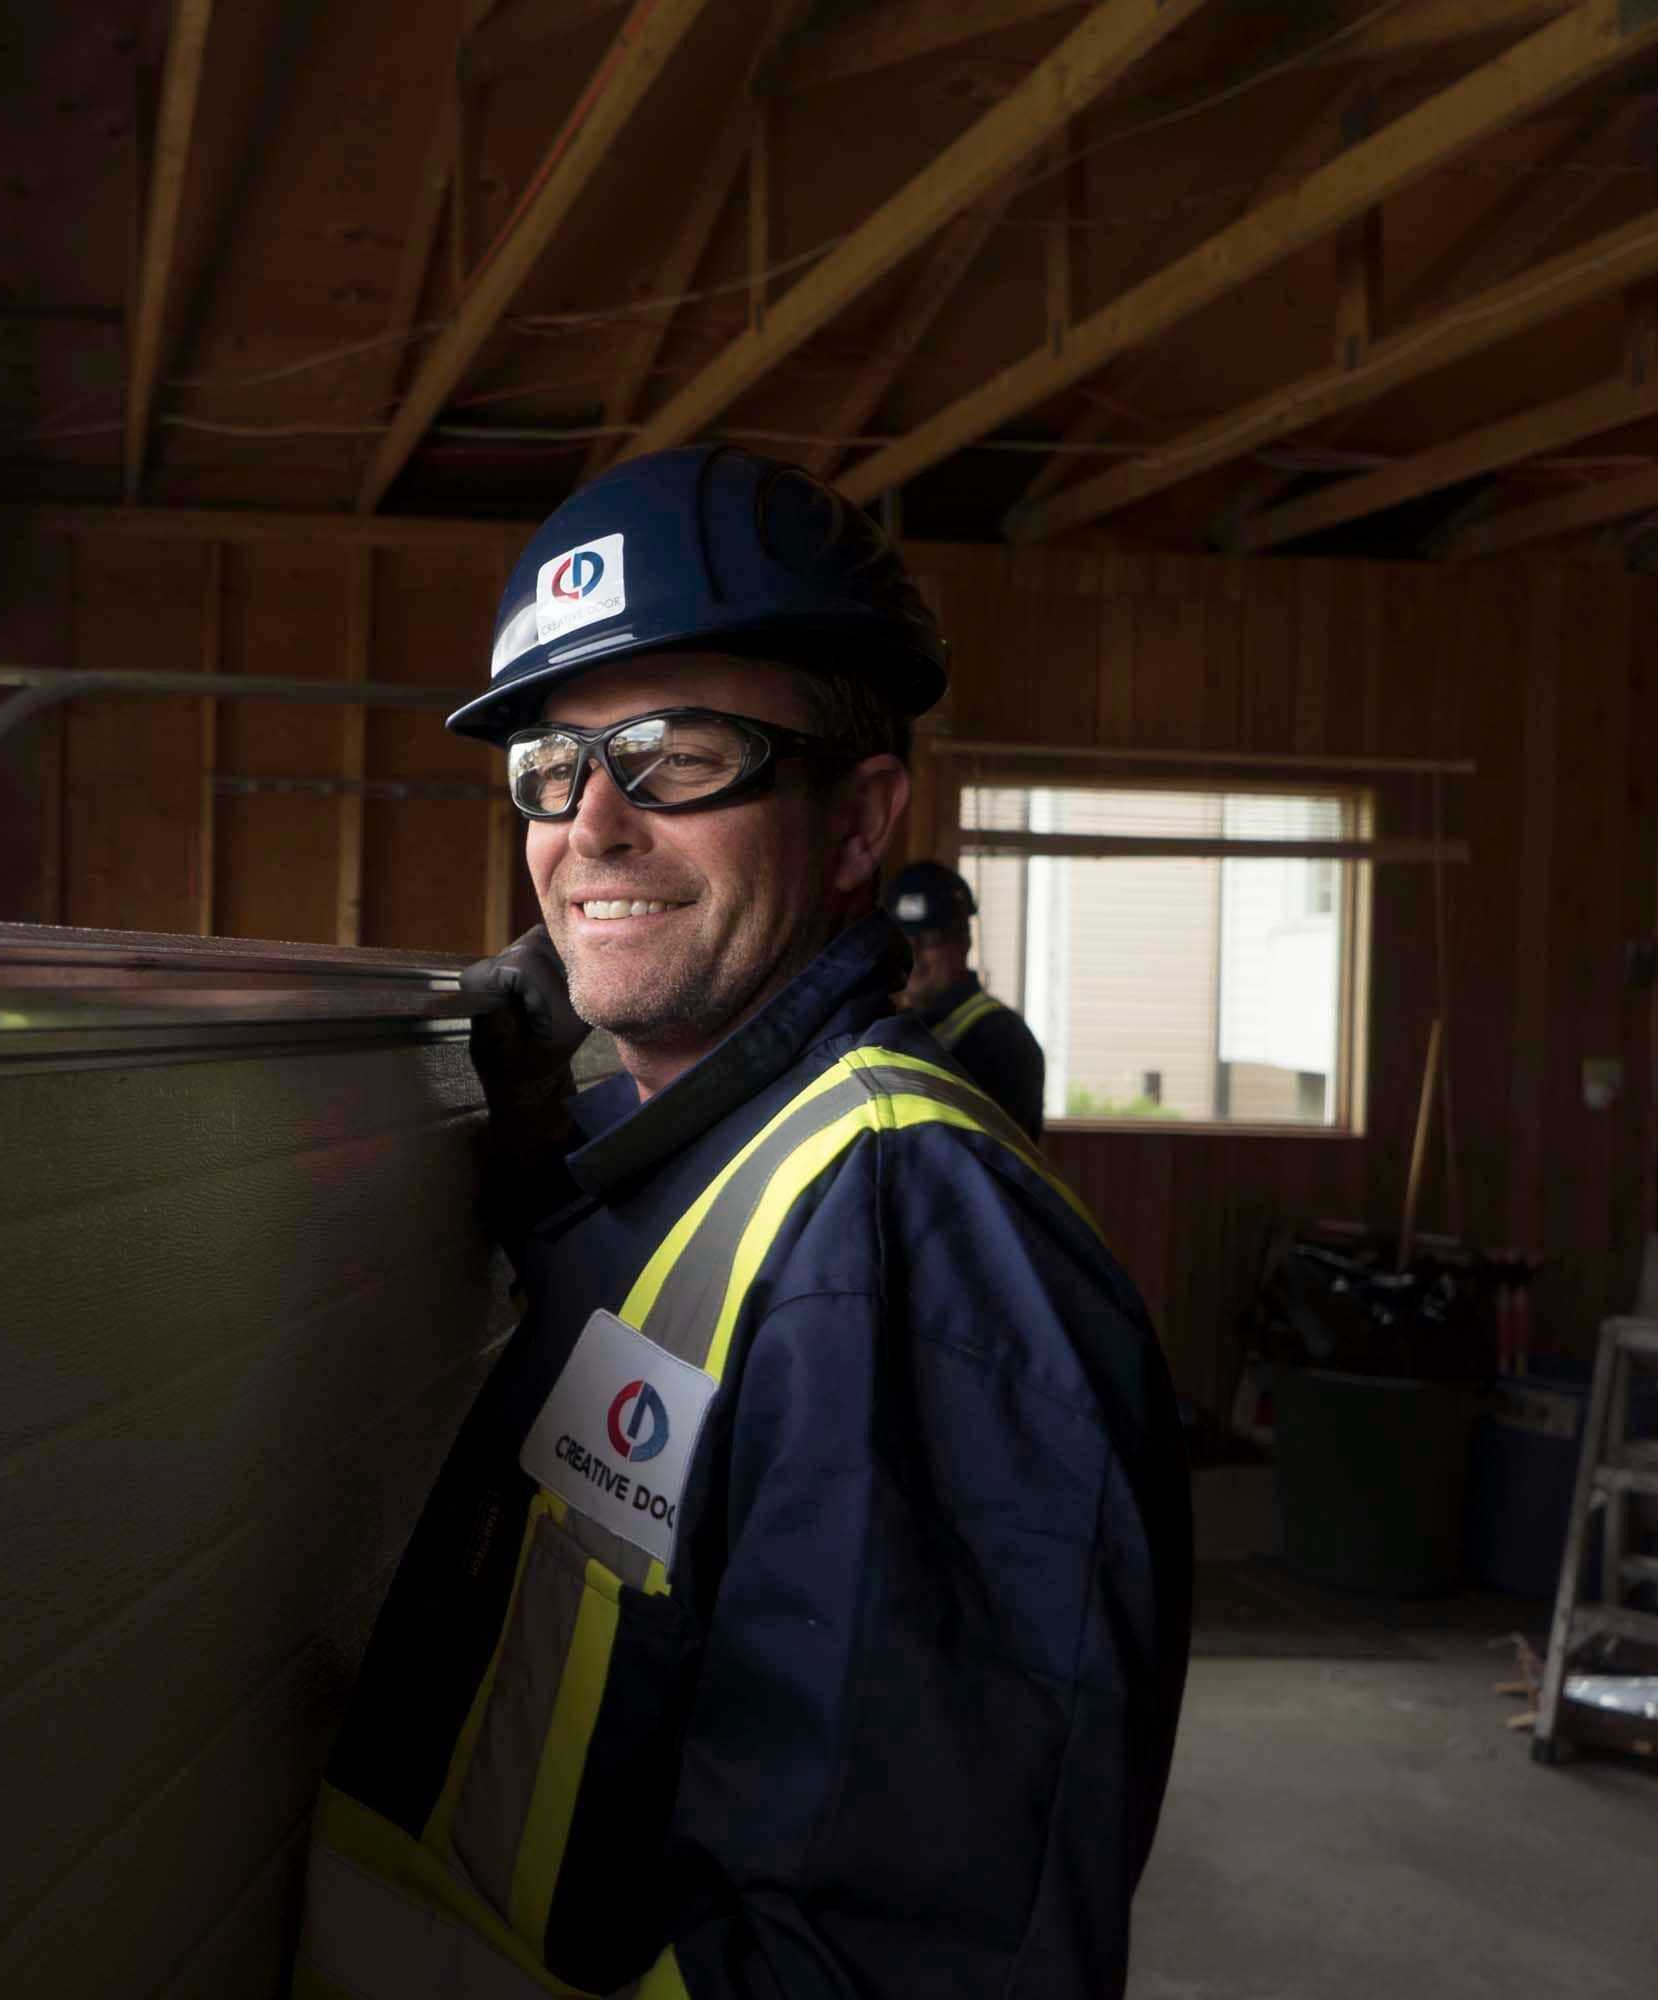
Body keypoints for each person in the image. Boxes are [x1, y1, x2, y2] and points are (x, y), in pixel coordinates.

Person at [296, 448, 1190, 2000]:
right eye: (553, 766)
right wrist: (524, 1147)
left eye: (677, 756)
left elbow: (896, 1957)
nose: (592, 826)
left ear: (854, 828)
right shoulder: (696, 1168)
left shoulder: (905, 1268)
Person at [884, 859, 1047, 1140]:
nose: (914, 958)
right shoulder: (896, 1024)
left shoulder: (1000, 1040)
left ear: (963, 941)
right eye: (903, 942)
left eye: (929, 940)